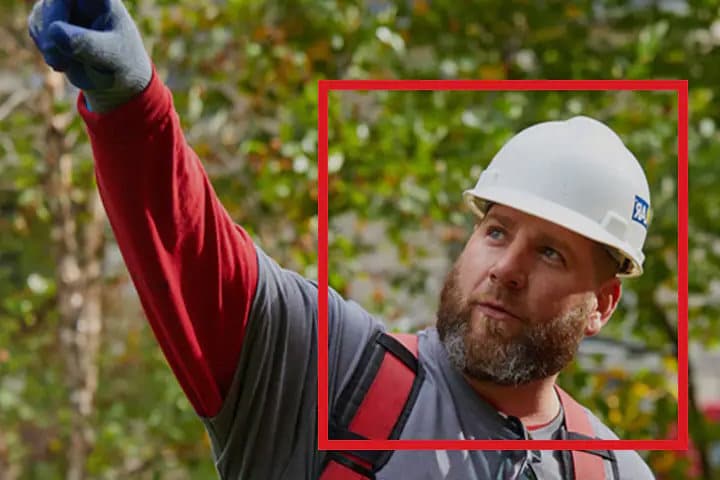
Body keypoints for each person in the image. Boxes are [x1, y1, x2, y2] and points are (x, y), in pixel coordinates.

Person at [28, 0, 657, 479]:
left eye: (550, 252)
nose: (506, 268)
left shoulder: (616, 471)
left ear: (602, 304)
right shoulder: (330, 374)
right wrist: (131, 104)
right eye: (497, 231)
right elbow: (195, 251)